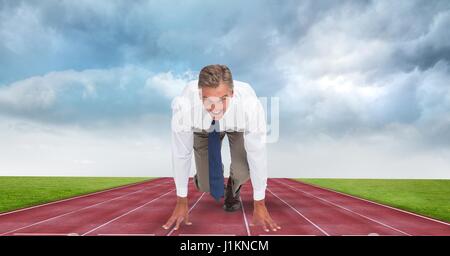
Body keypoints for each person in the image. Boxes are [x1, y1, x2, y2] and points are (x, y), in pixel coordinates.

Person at [162, 64, 280, 233]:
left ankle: (233, 188)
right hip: (204, 128)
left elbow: (257, 153)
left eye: (223, 99)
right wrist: (181, 200)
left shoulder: (249, 106)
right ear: (200, 94)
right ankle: (208, 175)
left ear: (232, 93)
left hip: (237, 127)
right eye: (208, 100)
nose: (216, 107)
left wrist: (259, 203)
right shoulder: (185, 104)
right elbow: (181, 152)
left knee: (243, 171)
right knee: (206, 185)